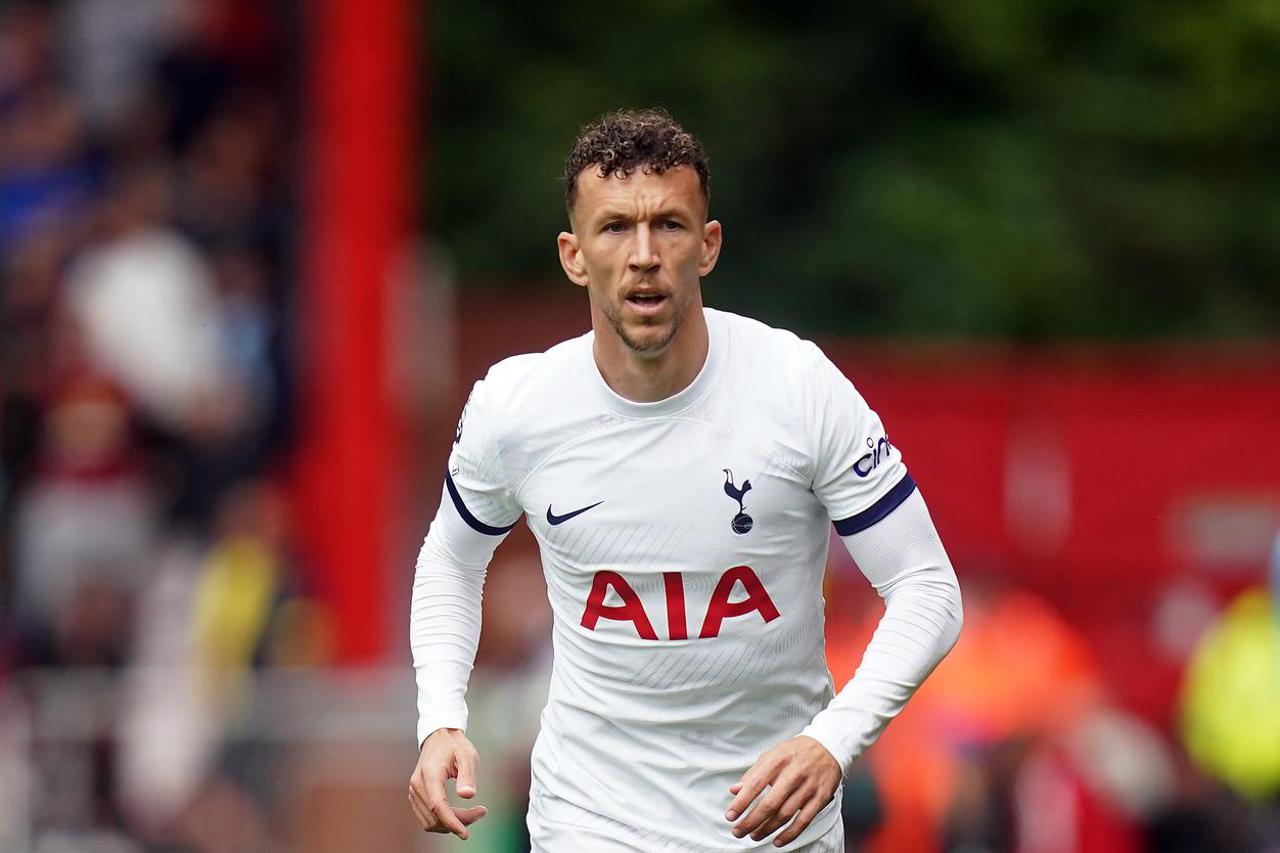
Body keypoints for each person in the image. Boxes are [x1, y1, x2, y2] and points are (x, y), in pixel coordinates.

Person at [409, 108, 964, 852]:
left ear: (708, 246)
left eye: (668, 224)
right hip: (592, 819)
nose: (643, 254)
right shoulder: (517, 408)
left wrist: (833, 740)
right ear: (574, 255)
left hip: (775, 823)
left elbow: (927, 585)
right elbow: (451, 556)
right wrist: (441, 714)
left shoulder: (797, 388)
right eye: (614, 228)